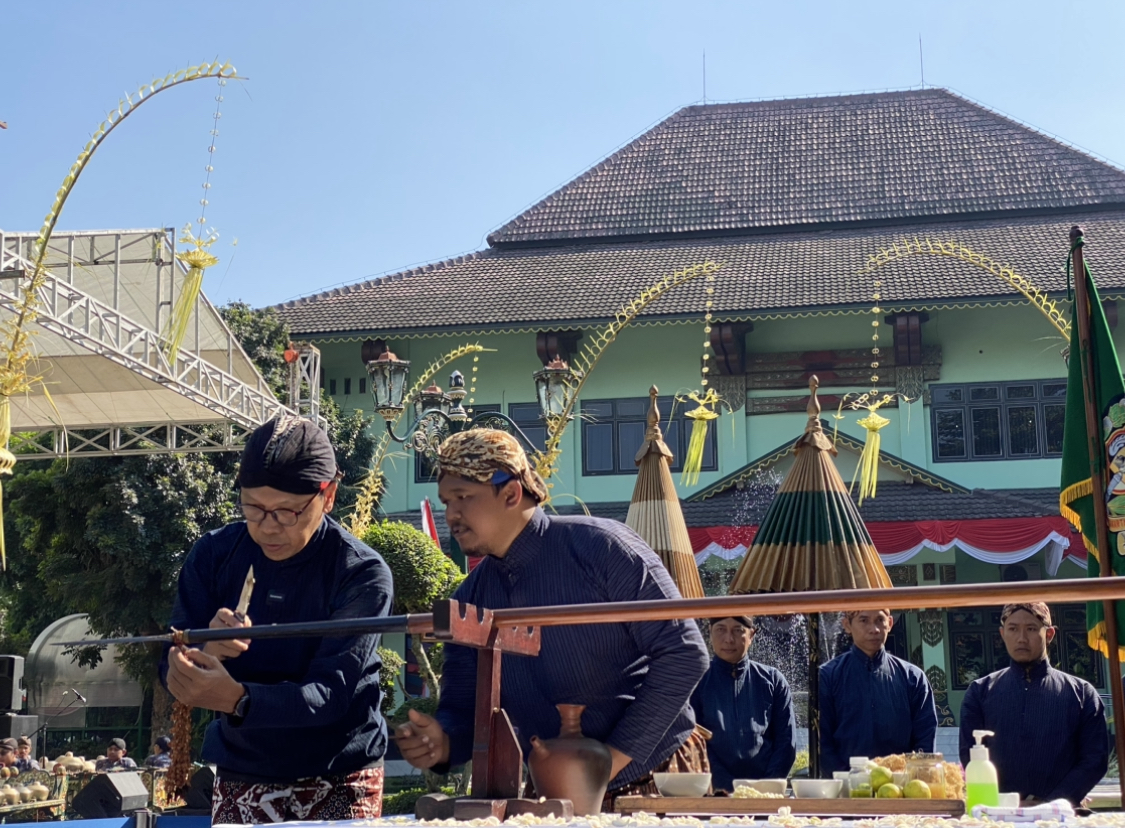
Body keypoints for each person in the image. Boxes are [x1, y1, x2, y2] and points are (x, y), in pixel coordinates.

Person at [395, 429, 710, 808]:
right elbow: (464, 708)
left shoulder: (603, 548)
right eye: (447, 501)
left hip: (652, 771)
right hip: (551, 791)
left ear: (511, 493)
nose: (452, 515)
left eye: (463, 498)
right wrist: (442, 742)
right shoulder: (471, 597)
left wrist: (609, 760)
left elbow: (685, 653)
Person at [160, 416, 395, 823]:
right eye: (253, 508)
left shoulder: (360, 572)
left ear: (329, 495)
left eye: (287, 512)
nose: (267, 527)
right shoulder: (214, 556)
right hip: (243, 766)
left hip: (339, 770)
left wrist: (237, 699)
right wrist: (201, 653)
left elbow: (330, 693)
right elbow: (170, 661)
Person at [959, 603, 1108, 806]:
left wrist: (1053, 803)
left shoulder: (1082, 694)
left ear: (1049, 634)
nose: (1021, 638)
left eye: (1031, 628)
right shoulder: (980, 692)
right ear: (1002, 634)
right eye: (1013, 629)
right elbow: (970, 754)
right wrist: (1004, 802)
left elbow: (1094, 760)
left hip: (1063, 815)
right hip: (998, 814)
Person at [819, 608, 937, 774]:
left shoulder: (913, 677)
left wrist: (910, 778)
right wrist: (844, 778)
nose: (874, 629)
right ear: (847, 625)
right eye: (864, 620)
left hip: (901, 786)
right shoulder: (828, 676)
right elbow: (822, 741)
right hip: (844, 787)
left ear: (889, 623)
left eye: (880, 620)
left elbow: (925, 739)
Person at [690, 616, 796, 792]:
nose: (729, 639)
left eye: (738, 630)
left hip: (765, 793)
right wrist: (727, 787)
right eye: (721, 629)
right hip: (714, 792)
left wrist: (767, 787)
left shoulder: (772, 680)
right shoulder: (697, 681)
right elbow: (695, 742)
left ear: (751, 635)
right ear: (710, 633)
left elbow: (786, 743)